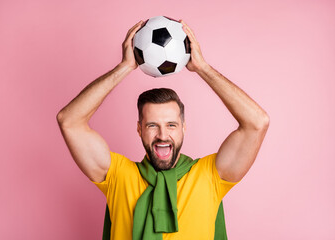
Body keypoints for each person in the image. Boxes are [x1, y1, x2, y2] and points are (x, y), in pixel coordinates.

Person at [57, 20, 269, 240]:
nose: (162, 135)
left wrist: (203, 68)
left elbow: (257, 123)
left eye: (171, 125)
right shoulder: (118, 176)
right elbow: (69, 120)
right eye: (152, 125)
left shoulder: (209, 176)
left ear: (184, 128)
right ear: (139, 129)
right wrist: (124, 68)